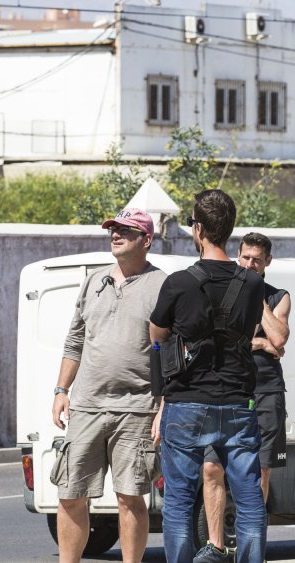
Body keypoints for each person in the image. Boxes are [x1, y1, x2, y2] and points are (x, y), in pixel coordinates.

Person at [150, 189, 267, 563]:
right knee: (249, 500)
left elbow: (156, 335)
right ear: (230, 231)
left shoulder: (179, 282)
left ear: (197, 229)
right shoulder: (251, 283)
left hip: (186, 402)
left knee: (180, 502)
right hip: (237, 402)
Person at [50, 208, 166, 563]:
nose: (115, 234)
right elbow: (75, 340)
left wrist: (165, 406)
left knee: (130, 498)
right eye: (113, 229)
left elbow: (173, 351)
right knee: (70, 494)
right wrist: (61, 390)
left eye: (126, 230)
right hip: (86, 406)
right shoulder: (94, 281)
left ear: (146, 239)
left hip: (138, 408)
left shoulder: (163, 285)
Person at [198, 232, 292, 562]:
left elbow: (279, 337)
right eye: (245, 257)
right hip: (224, 391)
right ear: (237, 255)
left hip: (266, 392)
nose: (250, 264)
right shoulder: (222, 292)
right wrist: (261, 344)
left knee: (260, 472)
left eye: (256, 259)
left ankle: (253, 550)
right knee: (212, 468)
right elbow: (217, 341)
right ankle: (215, 547)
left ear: (267, 262)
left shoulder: (278, 296)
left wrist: (258, 300)